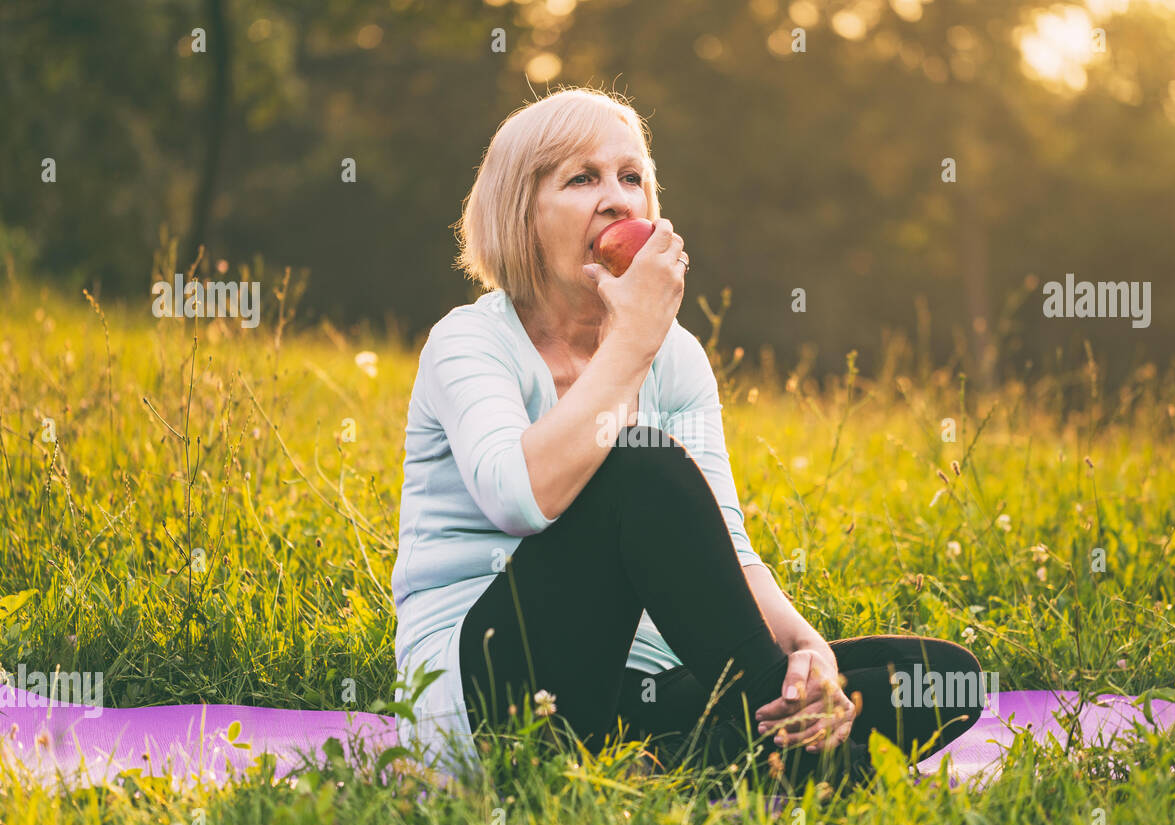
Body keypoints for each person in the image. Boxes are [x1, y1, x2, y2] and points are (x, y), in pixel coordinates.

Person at [391, 87, 985, 786]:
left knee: (942, 680)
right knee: (637, 462)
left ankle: (673, 768)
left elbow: (727, 544)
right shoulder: (469, 342)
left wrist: (806, 649)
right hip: (494, 693)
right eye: (582, 178)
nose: (617, 200)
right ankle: (820, 773)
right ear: (521, 215)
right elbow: (518, 498)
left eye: (632, 176)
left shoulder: (675, 357)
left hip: (642, 691)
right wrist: (632, 343)